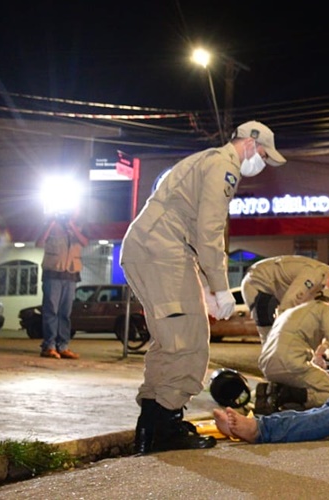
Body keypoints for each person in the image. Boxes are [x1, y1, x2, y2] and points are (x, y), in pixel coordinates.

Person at [120, 120, 286, 453]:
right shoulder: (225, 167)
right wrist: (221, 287)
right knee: (188, 340)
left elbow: (195, 230)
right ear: (251, 144)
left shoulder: (208, 161)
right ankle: (163, 427)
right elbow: (209, 230)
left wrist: (208, 289)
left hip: (158, 249)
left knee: (171, 340)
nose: (262, 164)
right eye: (264, 156)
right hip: (161, 250)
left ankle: (153, 426)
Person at [256, 289, 329, 412]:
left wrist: (319, 354)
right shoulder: (326, 308)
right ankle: (288, 396)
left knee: (304, 387)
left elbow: (308, 338)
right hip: (291, 363)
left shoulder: (292, 312)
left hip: (267, 365)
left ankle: (275, 392)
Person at [240, 255, 329, 343]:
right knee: (273, 338)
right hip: (258, 282)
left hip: (275, 290)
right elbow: (289, 303)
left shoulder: (327, 285)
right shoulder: (314, 275)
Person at [35, 208, 89, 360]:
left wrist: (72, 227)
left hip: (70, 276)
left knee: (65, 313)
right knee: (51, 310)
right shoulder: (49, 225)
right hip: (52, 275)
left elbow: (85, 242)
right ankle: (49, 346)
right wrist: (50, 225)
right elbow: (39, 243)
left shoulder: (80, 227)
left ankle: (63, 346)